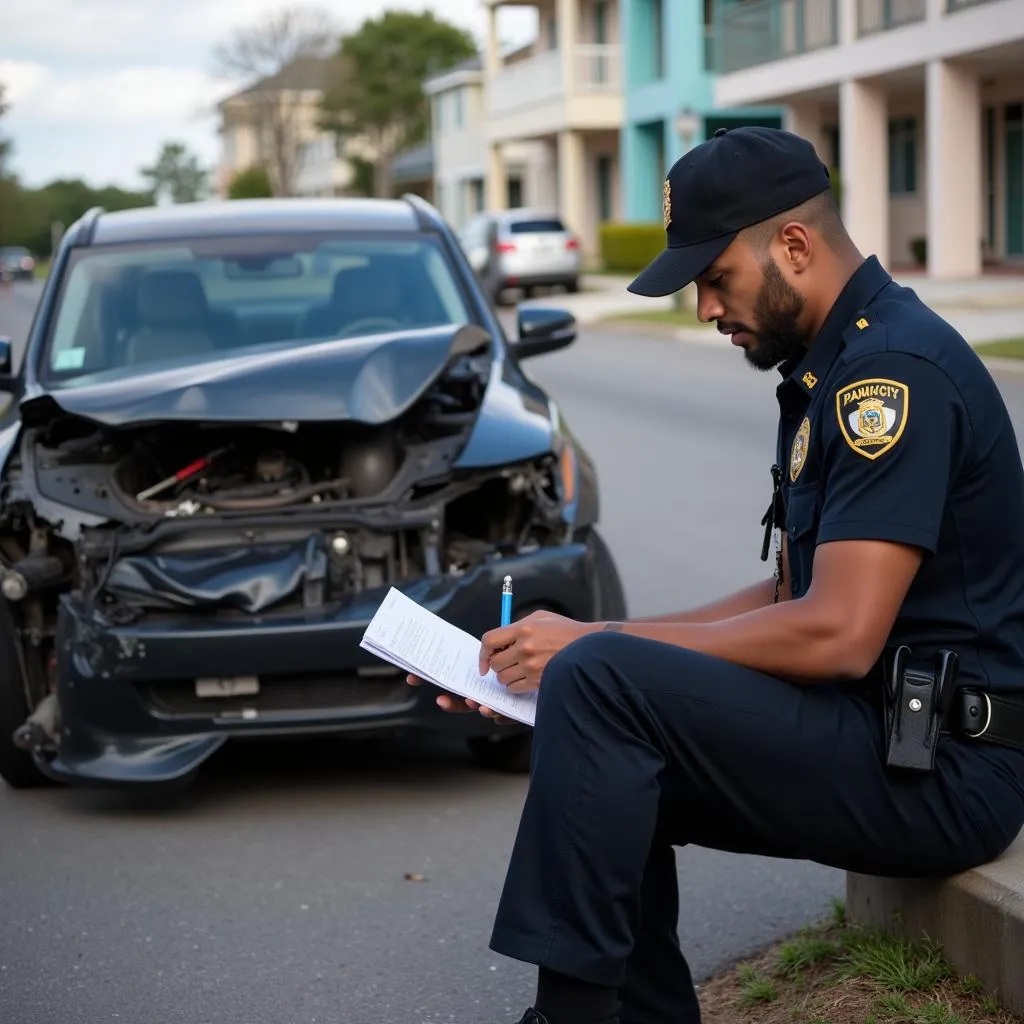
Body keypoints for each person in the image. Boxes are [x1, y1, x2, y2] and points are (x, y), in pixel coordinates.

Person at [408, 126, 1024, 1024]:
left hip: (947, 772)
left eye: (714, 278)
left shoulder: (890, 376)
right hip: (884, 738)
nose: (703, 308)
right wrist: (556, 660)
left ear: (795, 246)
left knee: (604, 684)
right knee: (607, 731)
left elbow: (839, 634)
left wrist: (596, 646)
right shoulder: (838, 364)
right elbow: (789, 597)